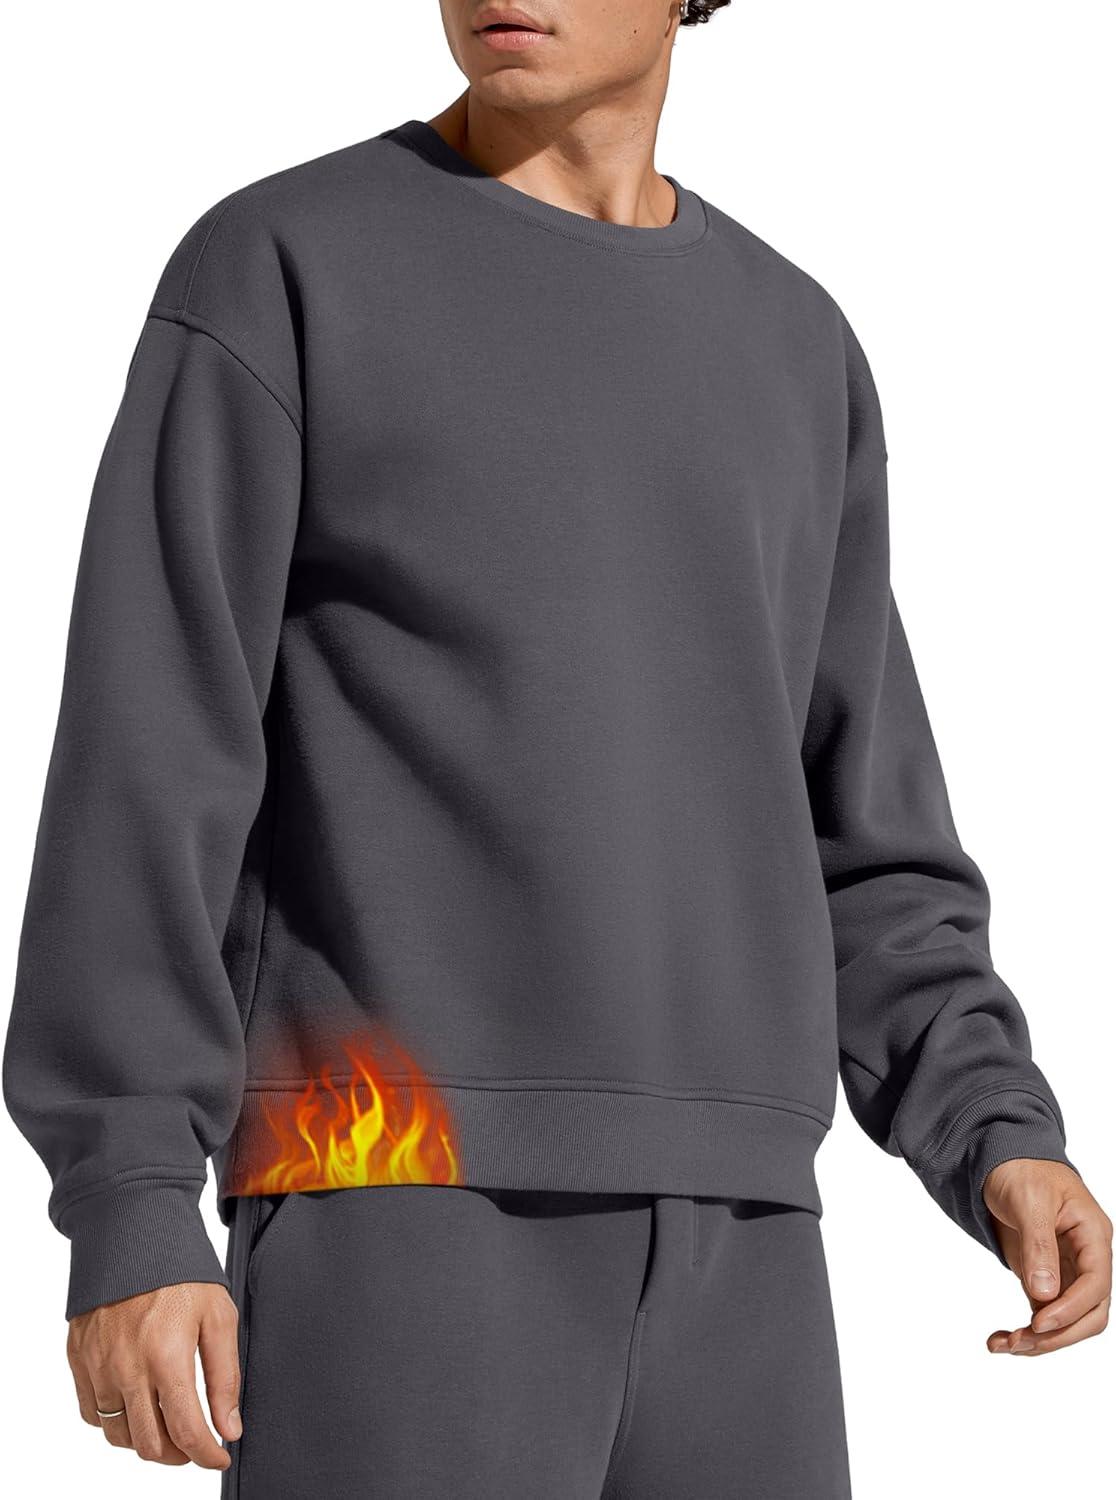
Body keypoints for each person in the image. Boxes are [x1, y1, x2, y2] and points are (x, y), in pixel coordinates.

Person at [4, 1, 1111, 1495]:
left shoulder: (794, 341)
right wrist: (130, 1194)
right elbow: (148, 762)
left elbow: (859, 818)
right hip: (391, 1189)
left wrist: (993, 1126)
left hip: (747, 1240)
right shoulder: (282, 267)